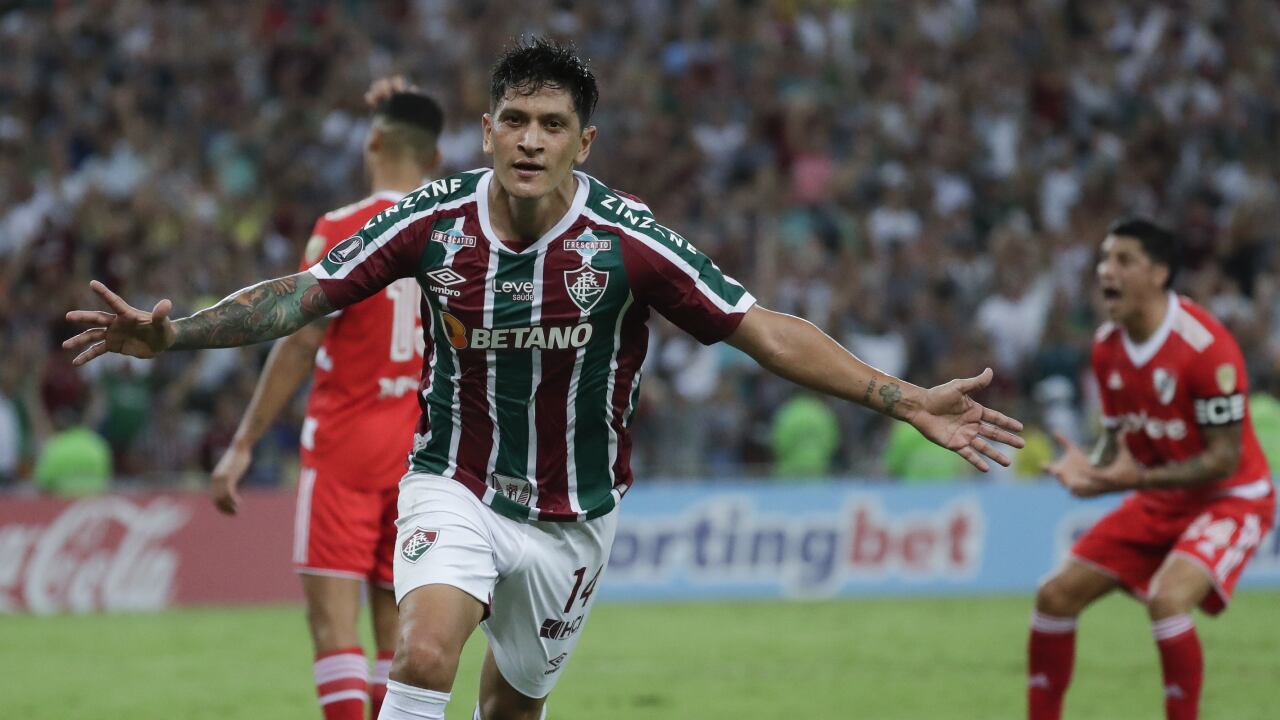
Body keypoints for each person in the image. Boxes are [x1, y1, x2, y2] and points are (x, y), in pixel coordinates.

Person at [64, 38, 1024, 720]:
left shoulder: (624, 241)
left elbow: (760, 329)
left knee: (513, 705)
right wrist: (174, 335)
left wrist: (901, 399)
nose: (530, 139)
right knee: (424, 652)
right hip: (454, 482)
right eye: (514, 120)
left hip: (575, 516)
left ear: (583, 143)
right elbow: (302, 297)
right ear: (485, 132)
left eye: (551, 125)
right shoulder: (433, 222)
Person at [208, 86, 444, 720]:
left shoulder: (342, 229)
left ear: (372, 140)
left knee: (333, 635)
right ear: (436, 155)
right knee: (397, 643)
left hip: (344, 450)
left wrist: (243, 444)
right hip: (421, 458)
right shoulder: (452, 230)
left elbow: (297, 344)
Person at [1032, 218, 1275, 720]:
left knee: (1167, 600)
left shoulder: (1207, 348)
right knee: (1054, 596)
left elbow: (1223, 459)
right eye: (1104, 260)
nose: (1107, 272)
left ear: (1160, 272)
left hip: (1233, 498)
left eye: (1124, 260)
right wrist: (1090, 470)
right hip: (1160, 499)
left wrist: (1132, 480)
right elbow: (1117, 445)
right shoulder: (1107, 347)